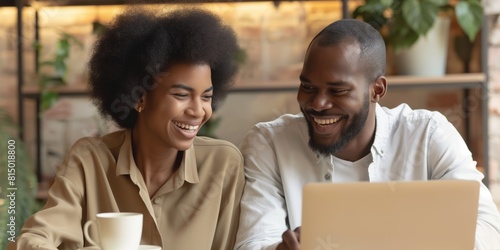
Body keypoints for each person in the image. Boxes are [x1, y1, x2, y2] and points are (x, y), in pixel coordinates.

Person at [234, 18, 500, 250]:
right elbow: (252, 243)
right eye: (308, 87)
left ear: (377, 90)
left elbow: (488, 230)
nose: (317, 103)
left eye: (337, 90)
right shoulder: (269, 144)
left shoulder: (428, 135)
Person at [9, 7, 244, 250]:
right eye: (182, 94)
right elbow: (34, 239)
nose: (198, 110)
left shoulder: (222, 165)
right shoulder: (90, 160)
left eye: (206, 97)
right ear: (139, 97)